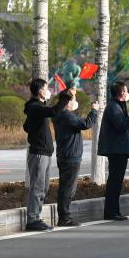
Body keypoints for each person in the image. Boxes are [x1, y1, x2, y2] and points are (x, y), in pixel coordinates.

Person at [23, 78, 74, 231]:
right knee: (37, 187)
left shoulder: (37, 108)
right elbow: (54, 111)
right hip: (39, 153)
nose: (48, 91)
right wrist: (65, 97)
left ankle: (36, 217)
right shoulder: (35, 107)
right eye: (46, 88)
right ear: (40, 91)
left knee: (43, 187)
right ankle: (32, 219)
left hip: (44, 152)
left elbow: (26, 126)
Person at [52, 93, 101, 227]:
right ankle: (65, 218)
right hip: (70, 156)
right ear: (66, 102)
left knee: (65, 188)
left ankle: (64, 217)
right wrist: (94, 110)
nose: (75, 101)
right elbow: (85, 124)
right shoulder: (66, 115)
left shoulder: (59, 115)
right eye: (73, 99)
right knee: (68, 189)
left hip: (65, 155)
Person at [98, 80, 129, 221]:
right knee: (114, 182)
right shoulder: (113, 107)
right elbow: (120, 126)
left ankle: (114, 210)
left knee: (117, 182)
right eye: (126, 91)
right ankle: (111, 211)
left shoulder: (118, 106)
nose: (128, 93)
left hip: (119, 149)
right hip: (116, 150)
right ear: (121, 93)